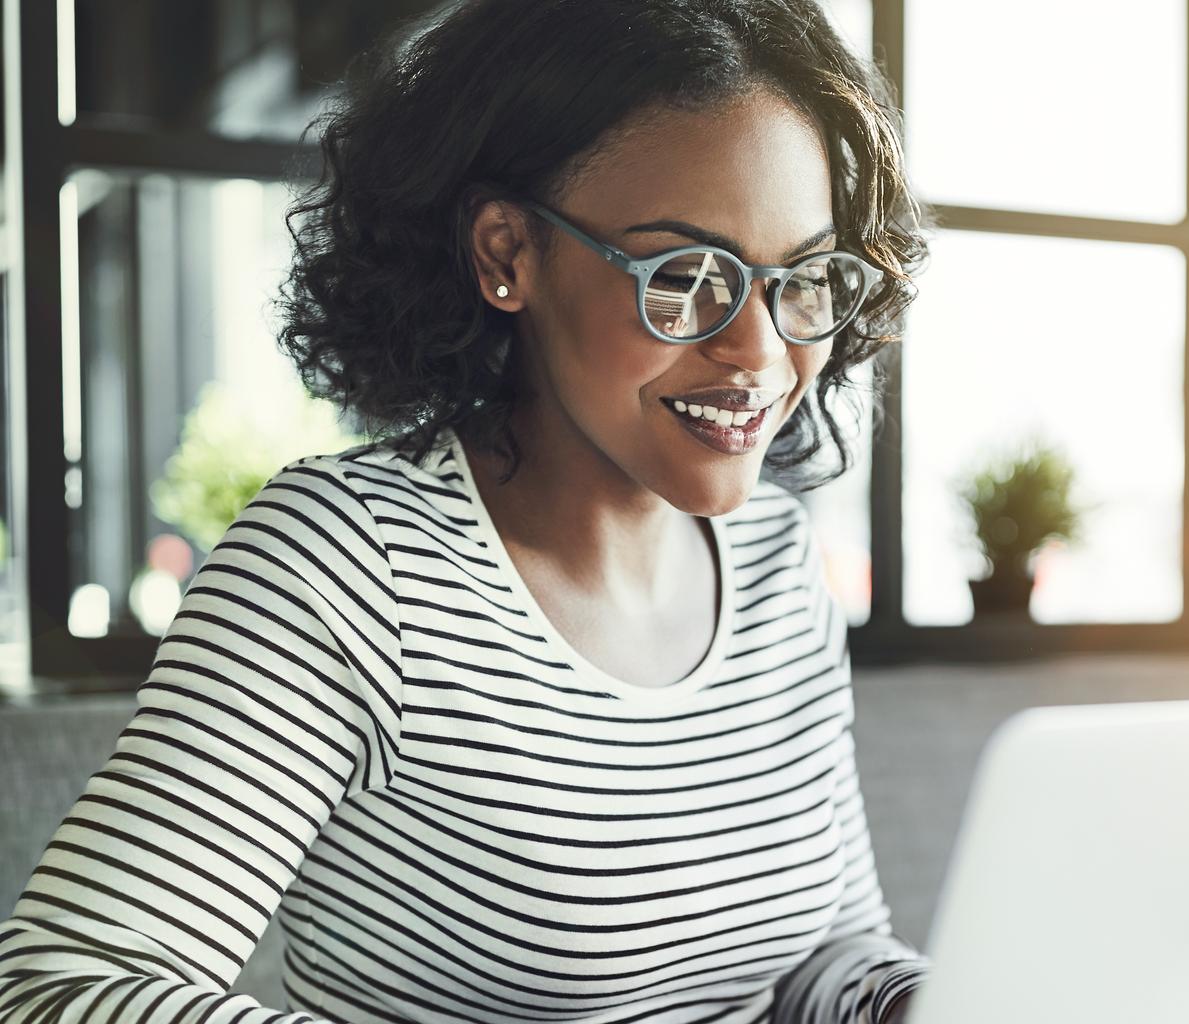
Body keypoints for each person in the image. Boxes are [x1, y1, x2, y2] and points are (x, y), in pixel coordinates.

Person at [0, 0, 932, 1021]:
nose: (758, 353)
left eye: (800, 279)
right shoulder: (346, 568)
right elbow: (60, 988)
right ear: (507, 253)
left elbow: (827, 949)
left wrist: (941, 1001)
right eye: (685, 279)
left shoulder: (775, 563)